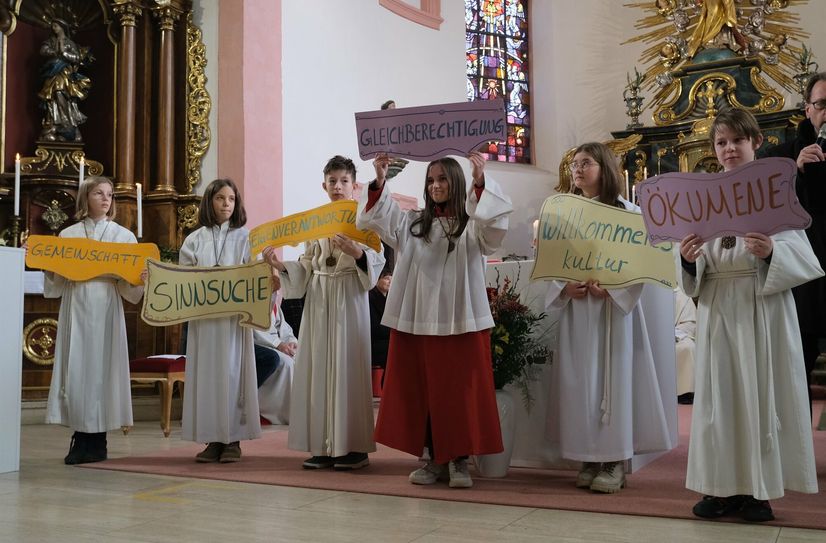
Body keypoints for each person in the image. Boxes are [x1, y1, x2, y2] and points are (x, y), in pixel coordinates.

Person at [678, 108, 822, 522]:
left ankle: (757, 492)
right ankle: (720, 490)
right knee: (718, 401)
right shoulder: (702, 195)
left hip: (762, 303)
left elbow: (804, 255)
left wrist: (773, 251)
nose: (728, 149)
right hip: (719, 305)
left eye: (736, 141)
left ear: (755, 142)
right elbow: (693, 256)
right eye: (721, 142)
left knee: (760, 396)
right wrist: (689, 260)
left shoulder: (775, 188)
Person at [357, 151, 511, 489]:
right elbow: (374, 218)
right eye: (431, 180)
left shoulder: (473, 224)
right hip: (418, 319)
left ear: (455, 183)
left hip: (460, 321)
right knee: (422, 391)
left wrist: (481, 180)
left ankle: (458, 461)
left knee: (458, 393)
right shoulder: (413, 223)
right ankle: (432, 459)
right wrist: (380, 179)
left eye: (442, 179)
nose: (436, 185)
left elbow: (496, 226)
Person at [545, 142, 675, 494]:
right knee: (579, 385)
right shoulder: (563, 214)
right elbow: (551, 260)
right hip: (579, 311)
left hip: (613, 316)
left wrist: (616, 288)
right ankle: (588, 456)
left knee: (613, 383)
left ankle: (614, 460)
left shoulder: (629, 213)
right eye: (574, 164)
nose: (577, 169)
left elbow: (640, 263)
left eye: (585, 163)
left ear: (604, 168)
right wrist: (564, 287)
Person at [263, 155, 385, 471]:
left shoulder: (363, 219)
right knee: (319, 371)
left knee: (347, 369)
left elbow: (377, 257)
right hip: (319, 297)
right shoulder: (316, 222)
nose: (338, 187)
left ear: (354, 186)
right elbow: (306, 264)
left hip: (348, 295)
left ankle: (353, 447)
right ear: (324, 185)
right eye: (332, 181)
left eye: (344, 181)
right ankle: (323, 445)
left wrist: (356, 253)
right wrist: (280, 265)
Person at [43, 176, 144, 464]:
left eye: (110, 195)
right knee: (77, 371)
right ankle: (81, 438)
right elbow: (57, 280)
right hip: (76, 304)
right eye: (98, 193)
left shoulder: (123, 236)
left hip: (106, 306)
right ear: (86, 197)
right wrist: (45, 262)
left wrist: (139, 278)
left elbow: (129, 286)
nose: (105, 199)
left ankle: (98, 441)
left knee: (103, 371)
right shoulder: (69, 235)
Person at [179, 178, 261, 463]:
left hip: (232, 322)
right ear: (209, 202)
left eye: (231, 199)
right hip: (204, 321)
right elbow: (182, 279)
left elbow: (255, 273)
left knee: (232, 375)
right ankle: (213, 439)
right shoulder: (194, 239)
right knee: (207, 377)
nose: (226, 204)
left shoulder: (246, 237)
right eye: (220, 198)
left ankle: (233, 440)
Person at [763, 72, 826, 415]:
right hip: (802, 272)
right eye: (822, 105)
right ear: (807, 110)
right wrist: (796, 172)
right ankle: (796, 451)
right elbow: (767, 209)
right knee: (797, 359)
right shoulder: (783, 155)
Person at [254, 273, 297, 425]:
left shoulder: (274, 306)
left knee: (298, 357)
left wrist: (291, 342)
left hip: (275, 345)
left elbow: (284, 328)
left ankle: (295, 410)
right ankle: (273, 412)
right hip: (261, 345)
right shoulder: (253, 300)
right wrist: (278, 344)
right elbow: (254, 330)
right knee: (286, 363)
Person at [38, 18, 92, 142]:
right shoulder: (50, 41)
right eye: (53, 26)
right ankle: (53, 123)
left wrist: (64, 53)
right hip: (52, 72)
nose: (54, 28)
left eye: (56, 26)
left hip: (65, 74)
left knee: (61, 93)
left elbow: (77, 57)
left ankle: (66, 124)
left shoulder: (70, 43)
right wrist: (54, 51)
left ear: (62, 27)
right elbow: (43, 51)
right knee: (51, 99)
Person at [675, 289, 697, 405]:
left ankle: (686, 392)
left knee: (688, 347)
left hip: (677, 337)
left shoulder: (681, 295)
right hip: (655, 338)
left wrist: (674, 333)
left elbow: (690, 323)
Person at [368, 269, 392, 370]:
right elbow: (375, 328)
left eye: (392, 278)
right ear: (377, 279)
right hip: (374, 343)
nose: (390, 281)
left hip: (386, 339)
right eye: (387, 278)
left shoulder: (389, 299)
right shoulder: (370, 298)